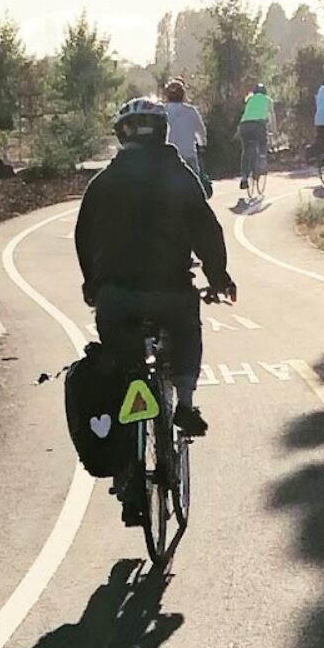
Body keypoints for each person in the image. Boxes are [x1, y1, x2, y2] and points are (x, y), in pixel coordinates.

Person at [76, 98, 237, 449]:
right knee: (186, 330)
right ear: (163, 132)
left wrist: (92, 282)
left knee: (119, 361)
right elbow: (207, 231)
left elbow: (83, 237)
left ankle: (126, 459)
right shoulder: (181, 177)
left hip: (116, 297)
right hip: (171, 293)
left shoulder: (103, 183)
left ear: (121, 136)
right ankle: (186, 405)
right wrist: (219, 278)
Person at [163, 78, 209, 193]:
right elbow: (201, 131)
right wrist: (202, 144)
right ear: (183, 95)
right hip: (188, 154)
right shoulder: (191, 111)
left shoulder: (161, 111)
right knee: (196, 188)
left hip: (167, 156)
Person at [238, 82, 273, 192]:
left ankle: (244, 177)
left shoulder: (249, 99)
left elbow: (245, 113)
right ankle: (261, 160)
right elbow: (271, 116)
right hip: (258, 125)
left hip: (244, 125)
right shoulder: (267, 100)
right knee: (262, 143)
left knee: (246, 149)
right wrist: (274, 131)